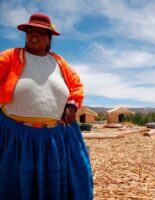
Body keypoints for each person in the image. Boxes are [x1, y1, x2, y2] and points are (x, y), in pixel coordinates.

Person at [0, 13, 93, 199]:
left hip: (57, 137)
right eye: (30, 32)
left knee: (73, 180)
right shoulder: (11, 56)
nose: (34, 36)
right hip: (17, 136)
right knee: (14, 186)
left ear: (49, 38)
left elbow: (76, 85)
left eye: (40, 32)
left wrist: (72, 106)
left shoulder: (58, 62)